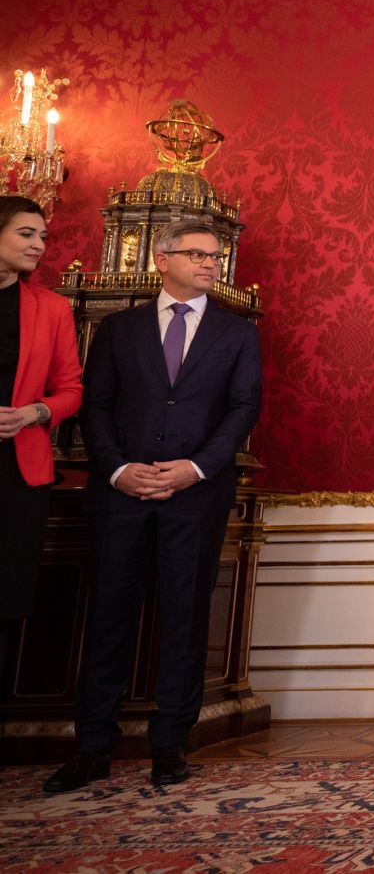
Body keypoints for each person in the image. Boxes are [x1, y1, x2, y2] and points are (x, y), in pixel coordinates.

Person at [43, 222, 261, 793]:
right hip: (121, 495)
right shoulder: (118, 329)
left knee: (185, 619)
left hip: (197, 497)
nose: (213, 263)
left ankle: (171, 744)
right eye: (199, 254)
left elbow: (242, 410)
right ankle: (92, 747)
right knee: (108, 618)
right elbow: (97, 407)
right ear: (162, 259)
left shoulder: (237, 334)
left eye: (218, 256)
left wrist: (194, 468)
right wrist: (117, 469)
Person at [0, 197, 83, 691]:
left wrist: (36, 412)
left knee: (6, 604)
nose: (39, 245)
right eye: (27, 234)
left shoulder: (51, 308)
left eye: (43, 237)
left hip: (17, 474)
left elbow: (72, 389)